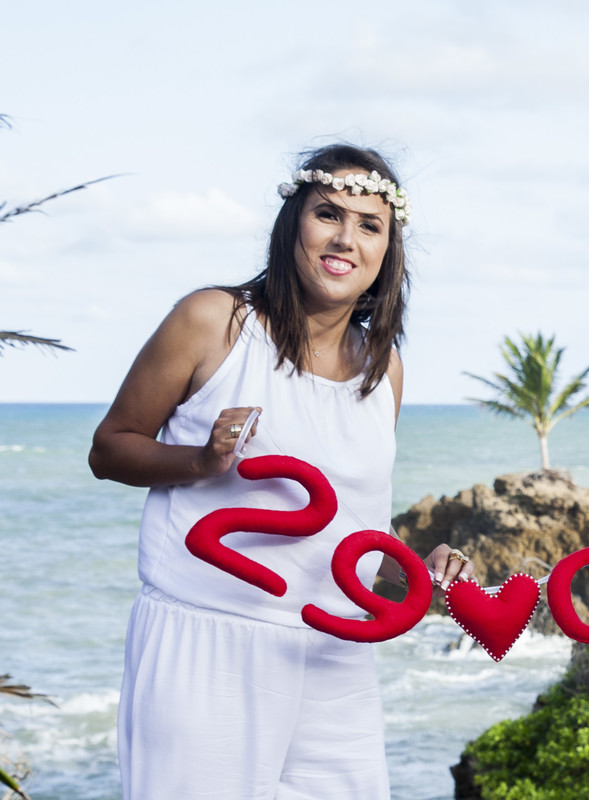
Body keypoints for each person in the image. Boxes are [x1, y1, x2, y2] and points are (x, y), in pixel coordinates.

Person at [89, 143, 474, 800]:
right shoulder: (214, 322)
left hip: (335, 651)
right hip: (207, 641)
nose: (345, 238)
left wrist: (420, 570)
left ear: (388, 250)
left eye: (369, 225)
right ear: (295, 221)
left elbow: (352, 530)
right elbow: (111, 447)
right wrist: (201, 461)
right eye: (328, 213)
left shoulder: (384, 370)